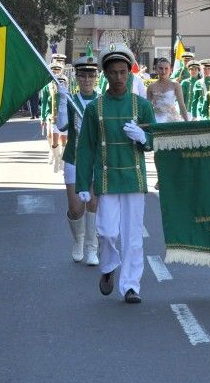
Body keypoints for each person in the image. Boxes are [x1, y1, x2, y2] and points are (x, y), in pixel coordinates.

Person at [74, 43, 156, 304]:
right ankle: (108, 267)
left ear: (129, 73)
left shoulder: (141, 106)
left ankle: (131, 285)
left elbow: (155, 140)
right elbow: (86, 148)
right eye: (113, 72)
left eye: (123, 72)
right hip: (107, 179)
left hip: (134, 178)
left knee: (133, 237)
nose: (119, 77)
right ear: (105, 75)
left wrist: (144, 136)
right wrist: (83, 183)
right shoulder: (94, 108)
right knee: (107, 232)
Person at [55, 54, 101, 265]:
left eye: (90, 76)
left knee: (93, 203)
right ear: (77, 77)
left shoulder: (102, 101)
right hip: (74, 159)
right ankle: (78, 240)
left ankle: (92, 247)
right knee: (76, 208)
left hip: (96, 160)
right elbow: (62, 126)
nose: (86, 80)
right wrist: (63, 100)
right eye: (82, 76)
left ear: (96, 77)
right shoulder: (71, 99)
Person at [146, 58, 188, 123]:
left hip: (172, 120)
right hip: (156, 120)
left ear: (171, 70)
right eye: (161, 68)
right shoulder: (151, 87)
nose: (163, 71)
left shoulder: (175, 85)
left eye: (166, 68)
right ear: (156, 70)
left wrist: (187, 122)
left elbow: (181, 105)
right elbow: (148, 107)